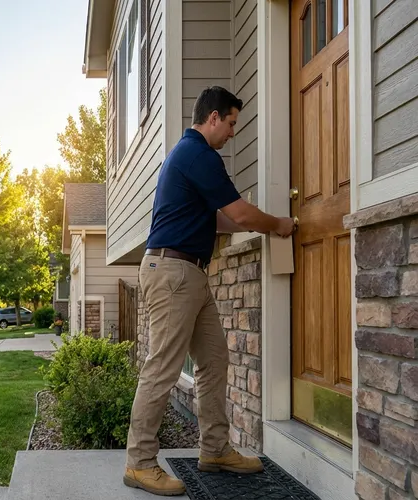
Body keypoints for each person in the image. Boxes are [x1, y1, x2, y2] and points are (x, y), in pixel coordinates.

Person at [122, 86, 297, 497]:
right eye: (232, 122)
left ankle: (215, 449)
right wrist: (276, 224)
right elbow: (238, 211)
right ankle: (140, 463)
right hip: (174, 271)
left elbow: (222, 220)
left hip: (189, 273)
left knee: (214, 360)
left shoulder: (188, 157)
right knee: (162, 367)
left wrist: (256, 221)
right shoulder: (199, 154)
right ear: (213, 117)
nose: (234, 131)